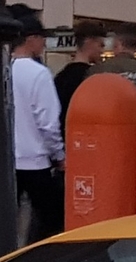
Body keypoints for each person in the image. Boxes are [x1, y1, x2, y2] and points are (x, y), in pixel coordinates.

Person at [10, 23, 65, 240]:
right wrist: (59, 155)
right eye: (42, 38)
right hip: (36, 160)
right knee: (50, 218)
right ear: (30, 39)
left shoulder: (3, 69)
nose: (44, 43)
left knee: (5, 219)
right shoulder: (39, 74)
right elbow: (48, 122)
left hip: (7, 161)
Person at [53, 31, 105, 116]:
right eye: (101, 45)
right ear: (89, 42)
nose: (102, 51)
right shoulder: (92, 76)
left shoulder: (61, 76)